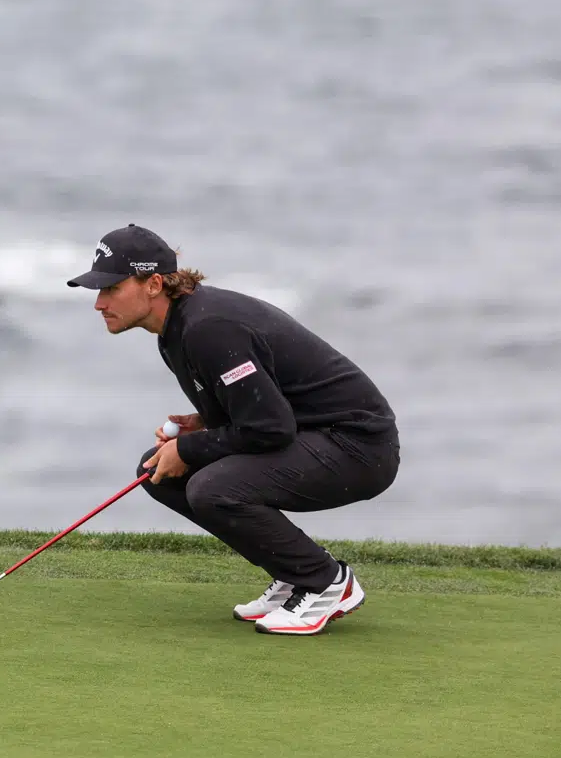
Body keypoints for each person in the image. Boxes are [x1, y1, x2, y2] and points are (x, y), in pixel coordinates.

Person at [67, 224, 399, 636]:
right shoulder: (176, 331)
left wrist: (188, 449)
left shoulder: (207, 328)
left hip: (358, 448)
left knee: (211, 487)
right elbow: (257, 409)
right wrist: (200, 425)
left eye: (111, 288)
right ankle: (293, 572)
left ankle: (326, 582)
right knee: (155, 470)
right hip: (315, 435)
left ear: (153, 284)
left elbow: (270, 429)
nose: (99, 303)